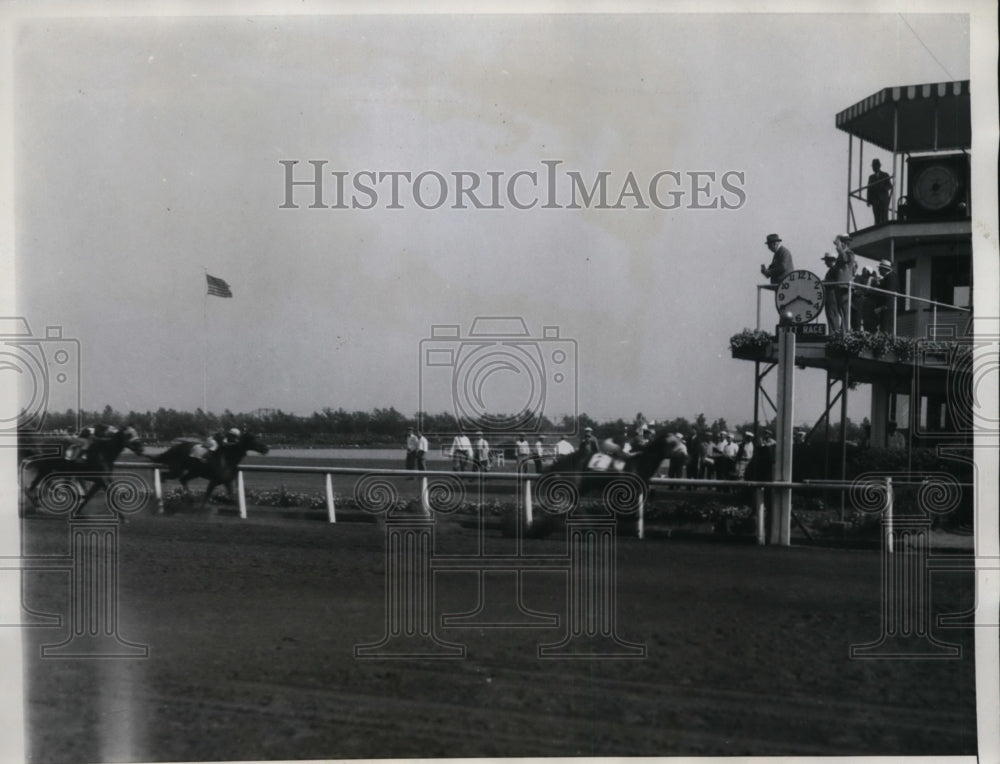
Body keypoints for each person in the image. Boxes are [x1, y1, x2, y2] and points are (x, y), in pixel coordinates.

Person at [821, 252, 846, 333]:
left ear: (831, 260)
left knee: (832, 313)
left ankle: (834, 333)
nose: (825, 263)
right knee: (832, 314)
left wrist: (825, 282)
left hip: (832, 294)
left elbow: (836, 281)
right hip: (832, 294)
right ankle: (834, 332)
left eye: (826, 260)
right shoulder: (833, 270)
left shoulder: (835, 269)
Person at [874, 259, 899, 333]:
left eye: (880, 268)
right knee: (884, 328)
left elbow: (890, 293)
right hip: (887, 308)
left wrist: (882, 307)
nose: (878, 270)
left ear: (884, 269)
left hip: (887, 309)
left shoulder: (891, 277)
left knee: (886, 329)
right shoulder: (889, 277)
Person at [866, 158, 892, 225]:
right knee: (876, 217)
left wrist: (883, 189)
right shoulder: (871, 177)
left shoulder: (885, 175)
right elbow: (869, 189)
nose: (874, 168)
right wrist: (868, 200)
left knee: (884, 217)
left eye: (875, 166)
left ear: (879, 166)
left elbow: (889, 185)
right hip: (875, 201)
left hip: (883, 200)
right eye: (873, 166)